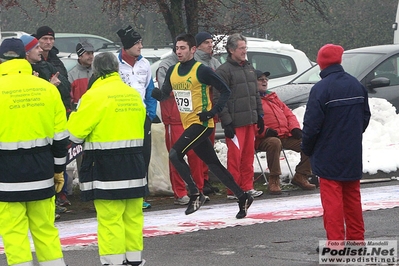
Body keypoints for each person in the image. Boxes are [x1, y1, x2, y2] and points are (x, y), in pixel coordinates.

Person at [151, 33, 253, 219]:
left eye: (183, 48)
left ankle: (195, 194)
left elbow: (225, 91)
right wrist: (155, 93)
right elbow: (165, 94)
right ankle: (242, 196)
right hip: (188, 123)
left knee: (175, 154)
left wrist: (212, 112)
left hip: (202, 123)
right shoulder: (173, 70)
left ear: (193, 49)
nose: (179, 51)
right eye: (177, 48)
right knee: (214, 164)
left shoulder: (202, 70)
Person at [67, 52, 147, 266]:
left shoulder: (93, 96)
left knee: (110, 218)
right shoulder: (132, 94)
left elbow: (75, 134)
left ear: (96, 70)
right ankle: (134, 260)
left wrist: (75, 114)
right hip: (135, 164)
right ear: (117, 69)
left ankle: (113, 262)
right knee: (133, 216)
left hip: (105, 165)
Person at [0, 38, 69, 266]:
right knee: (45, 231)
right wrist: (58, 170)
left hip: (6, 177)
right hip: (42, 172)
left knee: (14, 234)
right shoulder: (48, 90)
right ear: (24, 57)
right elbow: (60, 138)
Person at [301, 44, 371, 243]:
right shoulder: (356, 85)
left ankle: (336, 245)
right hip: (352, 151)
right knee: (352, 198)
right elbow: (365, 116)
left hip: (327, 153)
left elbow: (312, 125)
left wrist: (307, 148)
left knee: (332, 203)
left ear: (321, 64)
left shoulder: (320, 89)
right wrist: (353, 134)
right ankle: (357, 241)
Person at [215, 33, 265, 200]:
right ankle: (234, 190)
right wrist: (226, 121)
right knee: (235, 157)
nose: (244, 51)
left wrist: (260, 114)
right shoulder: (223, 71)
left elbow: (255, 94)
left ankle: (247, 186)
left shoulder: (249, 68)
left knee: (248, 156)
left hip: (249, 120)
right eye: (241, 48)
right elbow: (219, 98)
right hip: (235, 123)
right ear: (231, 50)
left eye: (245, 48)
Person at [254, 70, 315, 194]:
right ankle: (274, 180)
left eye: (266, 79)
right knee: (274, 143)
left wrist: (295, 128)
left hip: (285, 135)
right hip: (264, 138)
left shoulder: (272, 97)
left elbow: (288, 114)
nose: (264, 81)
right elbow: (250, 122)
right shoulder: (251, 99)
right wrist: (265, 131)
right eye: (260, 79)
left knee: (309, 142)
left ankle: (301, 175)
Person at [117, 25, 156, 209]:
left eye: (141, 42)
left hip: (142, 118)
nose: (140, 46)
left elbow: (150, 91)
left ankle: (141, 195)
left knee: (143, 155)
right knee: (125, 155)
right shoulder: (115, 63)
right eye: (137, 43)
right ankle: (125, 193)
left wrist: (150, 114)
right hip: (122, 118)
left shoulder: (145, 63)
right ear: (126, 46)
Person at [194, 31, 221, 195]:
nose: (210, 45)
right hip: (199, 111)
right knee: (200, 147)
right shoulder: (195, 62)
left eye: (211, 42)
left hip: (212, 109)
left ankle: (206, 178)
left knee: (209, 146)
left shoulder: (215, 62)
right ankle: (200, 181)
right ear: (197, 46)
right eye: (206, 43)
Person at [69, 40, 94, 110]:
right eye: (88, 53)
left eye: (92, 53)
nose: (91, 56)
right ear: (80, 56)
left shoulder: (98, 72)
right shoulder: (72, 75)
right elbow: (69, 98)